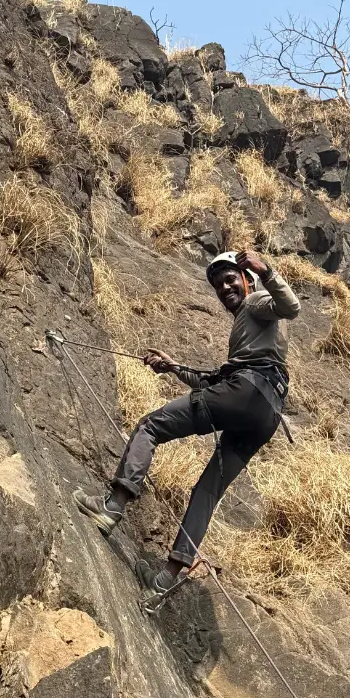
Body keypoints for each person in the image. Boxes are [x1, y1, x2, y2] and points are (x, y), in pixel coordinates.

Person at [74, 250, 299, 590]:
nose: (224, 288)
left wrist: (266, 270)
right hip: (265, 414)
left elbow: (291, 306)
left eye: (230, 279)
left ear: (247, 280)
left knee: (150, 426)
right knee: (208, 490)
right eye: (218, 285)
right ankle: (165, 580)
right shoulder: (256, 331)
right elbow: (215, 384)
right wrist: (174, 368)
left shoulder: (256, 302)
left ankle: (112, 506)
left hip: (246, 391)